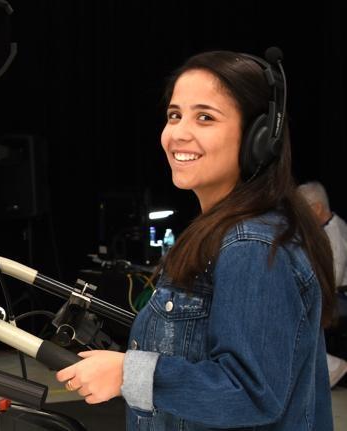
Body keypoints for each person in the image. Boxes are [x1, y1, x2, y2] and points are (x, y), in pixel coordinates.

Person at [56, 50, 335, 430]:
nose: (178, 133)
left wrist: (128, 374)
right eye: (175, 115)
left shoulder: (251, 245)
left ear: (259, 138)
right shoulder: (226, 234)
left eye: (205, 117)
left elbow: (251, 392)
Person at [297, 181, 347, 387]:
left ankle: (332, 365)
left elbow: (332, 279)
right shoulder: (328, 229)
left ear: (316, 208)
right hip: (333, 294)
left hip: (339, 298)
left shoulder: (334, 234)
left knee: (293, 315)